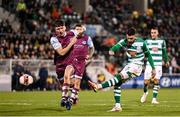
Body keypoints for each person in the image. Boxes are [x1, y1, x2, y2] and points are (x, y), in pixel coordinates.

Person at [88, 27, 156, 112]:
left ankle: (98, 86)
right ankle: (117, 106)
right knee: (117, 83)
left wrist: (153, 68)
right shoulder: (124, 41)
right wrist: (111, 51)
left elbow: (148, 55)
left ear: (135, 36)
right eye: (128, 38)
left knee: (119, 76)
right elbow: (115, 47)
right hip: (129, 65)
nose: (130, 40)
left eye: (131, 38)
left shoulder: (142, 43)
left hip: (137, 66)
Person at [61, 24, 94, 110]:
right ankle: (64, 98)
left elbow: (92, 48)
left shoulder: (87, 38)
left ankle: (71, 100)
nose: (78, 30)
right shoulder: (71, 38)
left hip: (81, 63)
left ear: (83, 30)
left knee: (76, 83)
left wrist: (89, 55)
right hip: (71, 60)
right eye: (76, 29)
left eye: (79, 29)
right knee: (66, 75)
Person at [50, 20, 78, 109]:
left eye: (62, 28)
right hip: (60, 65)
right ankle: (72, 97)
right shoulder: (54, 39)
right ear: (55, 30)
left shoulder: (72, 33)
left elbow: (82, 31)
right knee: (66, 85)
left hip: (71, 62)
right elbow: (61, 52)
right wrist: (72, 43)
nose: (60, 30)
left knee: (68, 76)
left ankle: (65, 98)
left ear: (65, 27)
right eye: (58, 29)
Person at [140, 27, 169, 104]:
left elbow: (164, 52)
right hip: (149, 65)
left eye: (154, 32)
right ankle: (145, 93)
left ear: (157, 33)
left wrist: (166, 61)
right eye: (152, 32)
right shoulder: (146, 41)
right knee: (146, 82)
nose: (153, 34)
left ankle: (154, 99)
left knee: (156, 81)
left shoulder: (162, 41)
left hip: (158, 65)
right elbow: (143, 52)